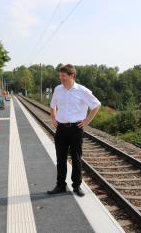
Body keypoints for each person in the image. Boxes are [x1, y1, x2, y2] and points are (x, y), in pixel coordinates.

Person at [47, 64, 101, 197]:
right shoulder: (58, 89)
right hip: (61, 129)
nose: (61, 78)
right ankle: (60, 185)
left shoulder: (82, 90)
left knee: (76, 158)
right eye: (60, 75)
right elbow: (52, 105)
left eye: (63, 76)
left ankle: (76, 186)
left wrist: (87, 121)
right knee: (60, 158)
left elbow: (96, 105)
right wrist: (53, 117)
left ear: (72, 76)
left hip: (76, 129)